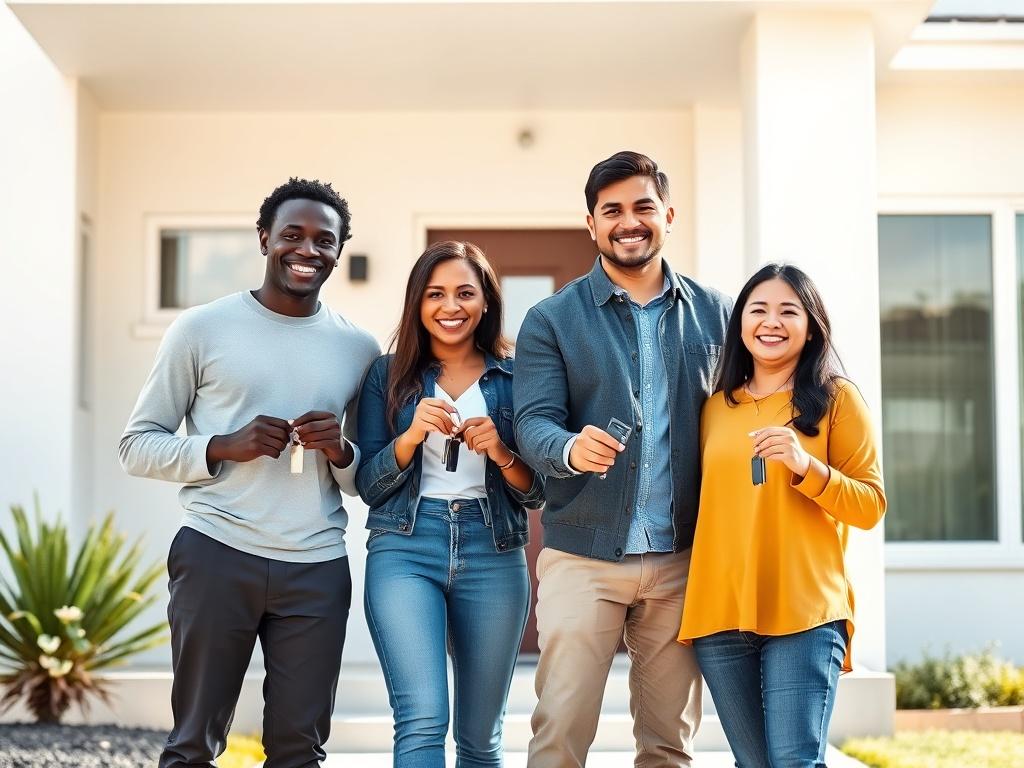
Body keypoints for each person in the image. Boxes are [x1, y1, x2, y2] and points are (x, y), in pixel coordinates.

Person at [119, 178, 380, 768]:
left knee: (298, 750)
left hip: (315, 566)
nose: (307, 250)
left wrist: (340, 451)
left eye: (324, 240)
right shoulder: (200, 329)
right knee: (192, 746)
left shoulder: (358, 349)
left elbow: (368, 480)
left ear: (339, 251)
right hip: (216, 551)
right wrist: (221, 447)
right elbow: (136, 445)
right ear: (265, 239)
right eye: (292, 234)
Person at [513, 151, 731, 768]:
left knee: (668, 746)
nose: (628, 222)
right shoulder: (552, 319)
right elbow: (531, 423)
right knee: (559, 737)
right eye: (612, 211)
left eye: (642, 207)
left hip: (682, 561)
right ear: (591, 224)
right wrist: (570, 448)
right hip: (583, 556)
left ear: (668, 215)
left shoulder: (718, 314)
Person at [678, 263, 886, 768]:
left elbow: (870, 506)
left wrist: (806, 466)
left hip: (804, 612)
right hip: (721, 614)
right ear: (740, 324)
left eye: (788, 311)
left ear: (811, 326)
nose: (771, 322)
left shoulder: (837, 399)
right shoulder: (715, 407)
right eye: (759, 310)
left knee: (794, 762)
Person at [356, 240, 544, 768]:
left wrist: (502, 453)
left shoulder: (516, 378)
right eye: (435, 294)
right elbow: (368, 485)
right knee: (422, 719)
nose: (450, 306)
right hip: (405, 549)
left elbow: (536, 493)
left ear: (486, 301)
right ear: (418, 303)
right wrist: (410, 438)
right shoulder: (386, 375)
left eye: (465, 292)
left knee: (481, 738)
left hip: (494, 551)